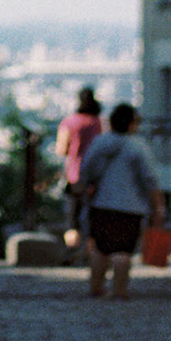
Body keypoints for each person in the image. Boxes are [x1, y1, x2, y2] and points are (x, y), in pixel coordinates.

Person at [78, 102, 165, 300]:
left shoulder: (99, 143)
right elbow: (150, 179)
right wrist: (158, 207)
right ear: (132, 123)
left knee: (101, 247)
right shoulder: (138, 146)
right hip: (130, 206)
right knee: (123, 251)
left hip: (101, 203)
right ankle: (119, 290)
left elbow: (86, 170)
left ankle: (96, 287)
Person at [55, 87, 104, 262]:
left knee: (72, 218)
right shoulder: (99, 122)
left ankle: (71, 251)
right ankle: (90, 253)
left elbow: (61, 149)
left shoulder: (69, 122)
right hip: (96, 178)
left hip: (74, 175)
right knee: (93, 217)